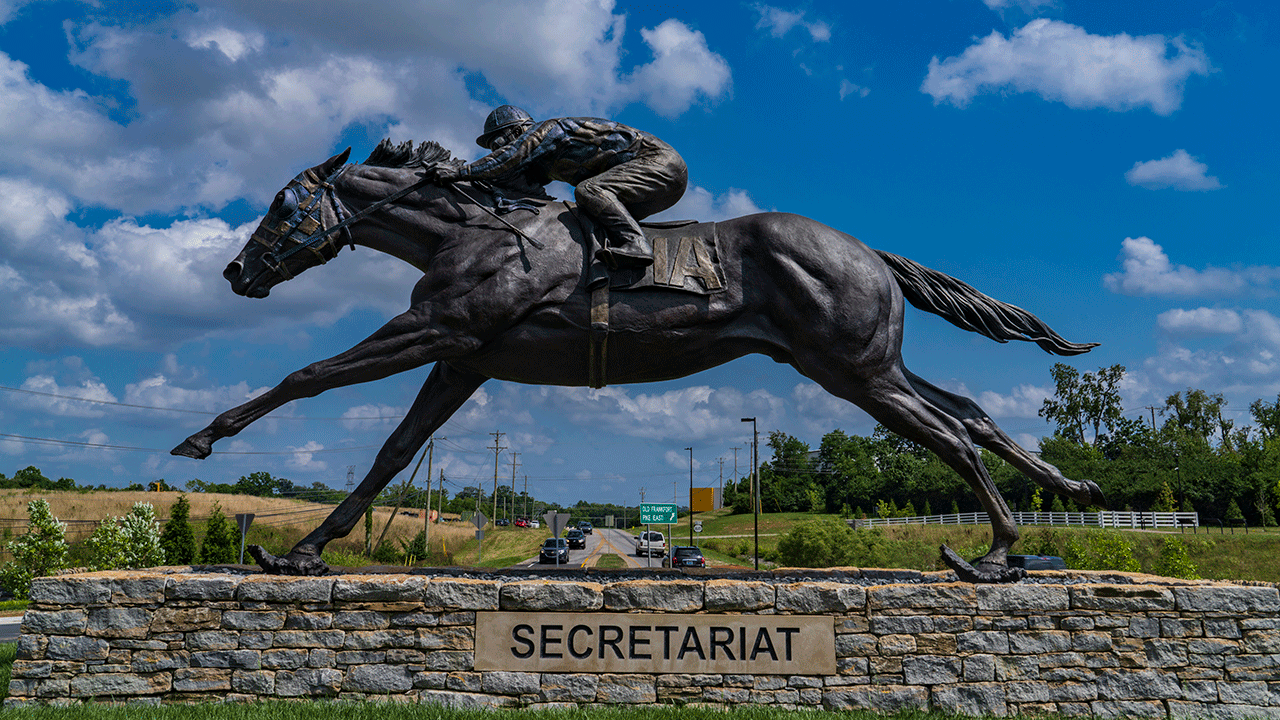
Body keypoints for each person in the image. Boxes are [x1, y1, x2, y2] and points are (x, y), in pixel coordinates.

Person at [422, 105, 687, 269]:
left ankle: (636, 244)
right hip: (650, 182)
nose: (496, 148)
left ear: (517, 131)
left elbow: (508, 158)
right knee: (589, 213)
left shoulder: (548, 131)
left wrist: (461, 172)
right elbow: (514, 179)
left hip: (660, 165)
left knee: (588, 192)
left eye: (497, 141)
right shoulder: (545, 161)